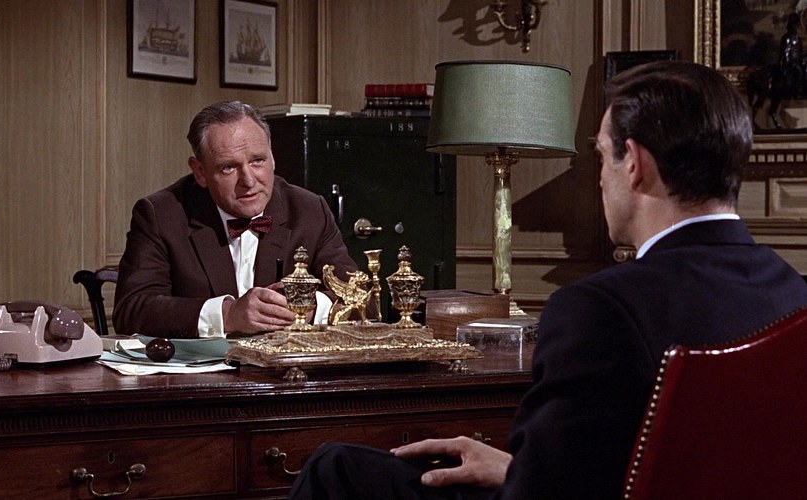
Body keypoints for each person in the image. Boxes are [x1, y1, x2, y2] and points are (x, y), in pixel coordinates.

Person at [286, 61, 807, 499]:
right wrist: (518, 467)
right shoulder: (792, 293)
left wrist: (524, 476)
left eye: (601, 155)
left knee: (336, 469)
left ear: (634, 164)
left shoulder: (598, 309)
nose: (599, 177)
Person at [113, 101, 360, 338]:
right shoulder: (161, 215)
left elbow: (360, 297)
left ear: (273, 158)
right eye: (228, 167)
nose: (249, 181)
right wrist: (228, 315)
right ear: (200, 172)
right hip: (202, 367)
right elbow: (132, 310)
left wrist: (308, 307)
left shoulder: (308, 210)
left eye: (257, 161)